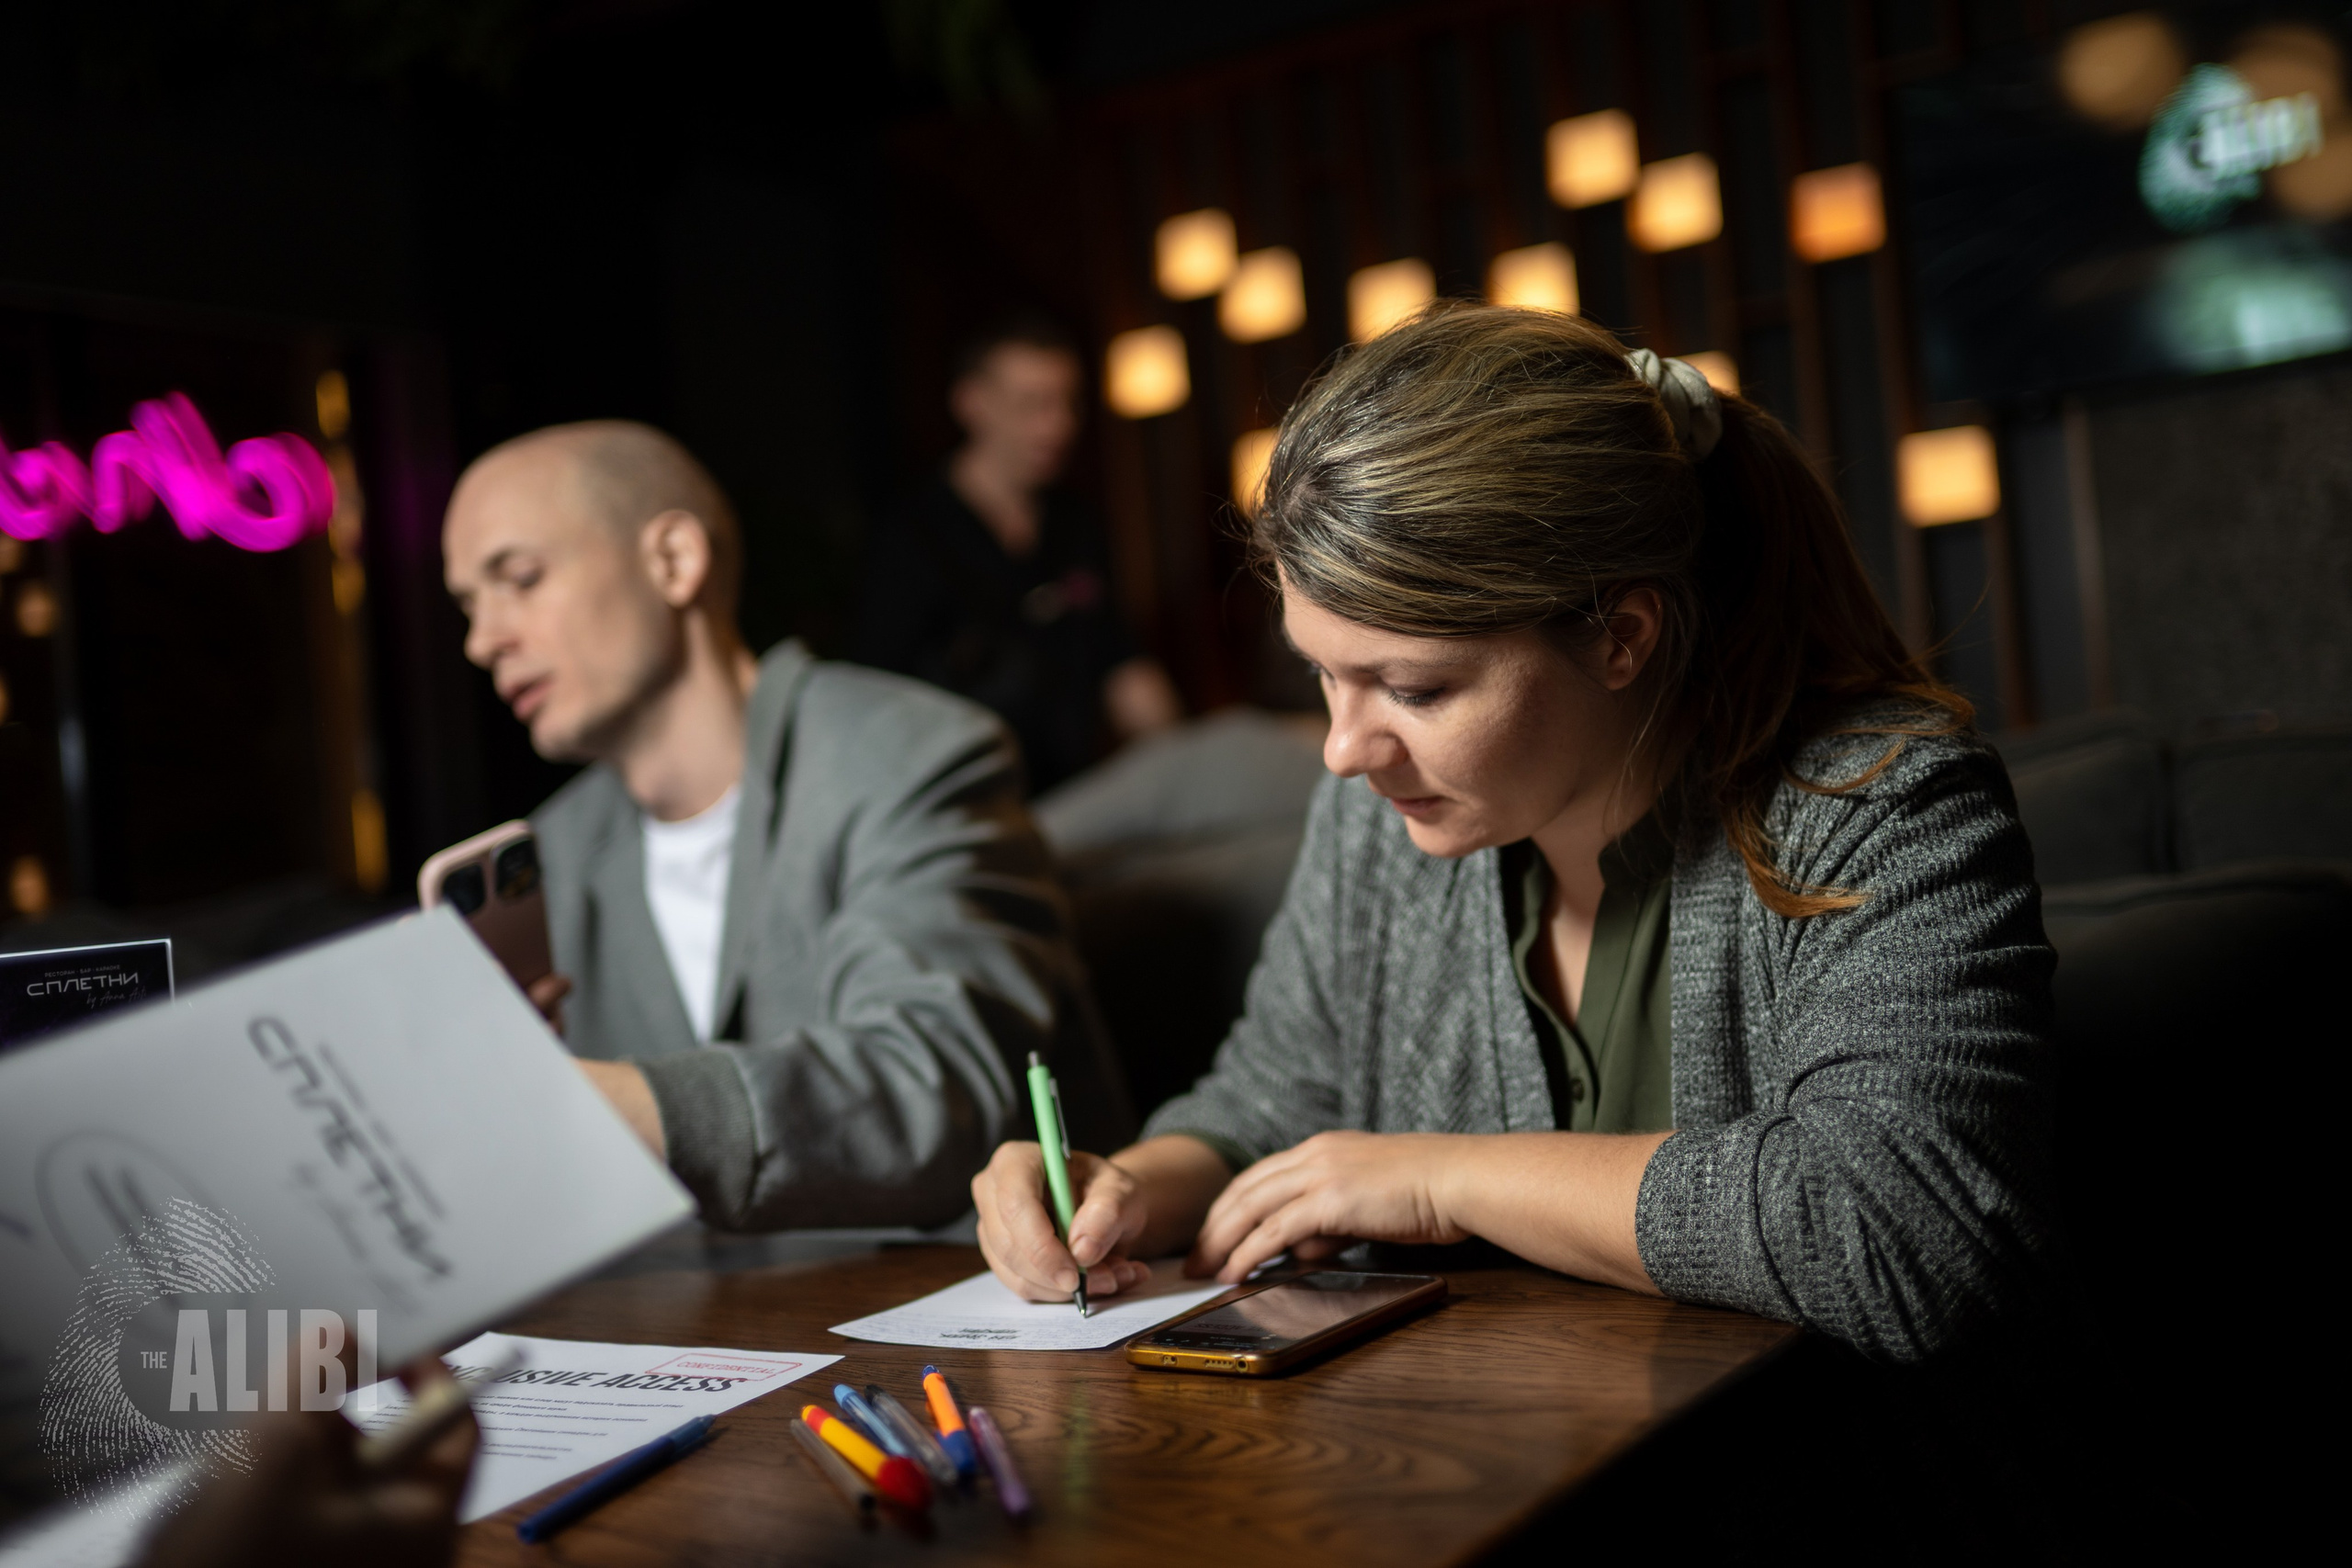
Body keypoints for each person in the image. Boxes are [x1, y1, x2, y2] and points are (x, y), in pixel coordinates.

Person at [969, 305, 2057, 1362]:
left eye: (1412, 687)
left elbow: (1904, 1238)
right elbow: (1270, 1107)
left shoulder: (1880, 804)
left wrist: (1444, 1177)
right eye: (1323, 676)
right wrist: (1123, 1191)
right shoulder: (1377, 825)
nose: (1345, 750)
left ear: (1620, 636)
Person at [442, 421, 1130, 1233]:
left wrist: (586, 1105)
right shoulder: (549, 851)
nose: (484, 640)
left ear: (673, 560)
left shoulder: (913, 754)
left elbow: (932, 1086)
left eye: (519, 578)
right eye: (468, 605)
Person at [855, 314, 1182, 794]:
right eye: (1033, 404)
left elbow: (1124, 666)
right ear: (971, 404)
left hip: (1075, 797)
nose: (1059, 425)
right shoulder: (913, 536)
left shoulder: (1076, 525)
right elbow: (877, 697)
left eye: (1069, 404)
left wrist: (1185, 759)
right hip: (970, 805)